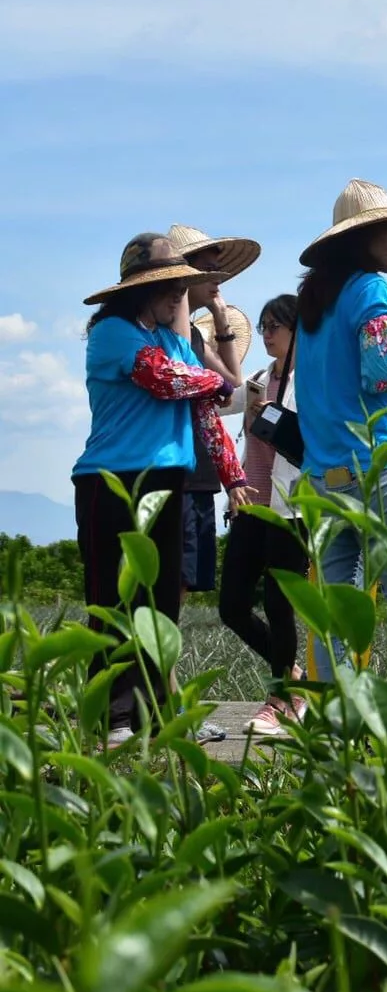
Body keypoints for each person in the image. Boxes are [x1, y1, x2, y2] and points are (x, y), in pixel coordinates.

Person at [74, 234, 246, 746]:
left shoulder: (172, 340)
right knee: (115, 597)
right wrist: (215, 381)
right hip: (114, 481)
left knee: (160, 608)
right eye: (168, 286)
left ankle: (153, 715)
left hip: (167, 479)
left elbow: (207, 414)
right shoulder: (113, 334)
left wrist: (234, 477)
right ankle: (113, 718)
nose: (178, 294)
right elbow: (161, 379)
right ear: (138, 290)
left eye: (181, 285)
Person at [294, 178, 387, 692]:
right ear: (362, 240)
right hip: (377, 466)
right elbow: (383, 368)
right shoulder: (370, 289)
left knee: (337, 605)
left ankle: (336, 720)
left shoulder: (312, 304)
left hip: (324, 475)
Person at [219, 295, 310, 735]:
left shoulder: (307, 380)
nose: (268, 334)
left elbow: (304, 439)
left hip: (289, 508)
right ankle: (293, 678)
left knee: (278, 604)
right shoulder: (256, 380)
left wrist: (267, 416)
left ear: (297, 330)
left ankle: (281, 700)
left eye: (276, 326)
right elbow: (218, 401)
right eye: (264, 326)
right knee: (231, 606)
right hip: (250, 507)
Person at [167, 225, 256, 600]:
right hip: (180, 469)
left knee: (185, 581)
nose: (218, 280)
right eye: (209, 271)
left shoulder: (195, 335)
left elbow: (232, 381)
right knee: (175, 581)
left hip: (203, 472)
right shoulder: (170, 334)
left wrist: (221, 320)